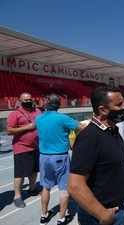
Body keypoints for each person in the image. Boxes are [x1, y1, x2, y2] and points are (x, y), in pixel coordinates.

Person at [68, 86, 124, 225]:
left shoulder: (112, 130)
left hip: (120, 209)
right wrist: (102, 215)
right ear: (103, 110)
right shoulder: (89, 138)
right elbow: (75, 186)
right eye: (119, 104)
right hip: (102, 217)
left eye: (123, 102)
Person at [35, 93, 85, 225]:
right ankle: (61, 218)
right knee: (64, 188)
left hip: (44, 156)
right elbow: (82, 128)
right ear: (59, 105)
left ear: (46, 104)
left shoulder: (39, 119)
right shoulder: (63, 119)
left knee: (46, 186)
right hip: (60, 156)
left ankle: (44, 215)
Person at [6, 92, 42, 208]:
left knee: (34, 170)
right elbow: (9, 131)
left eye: (30, 99)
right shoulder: (14, 114)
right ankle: (17, 196)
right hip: (21, 147)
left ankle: (32, 189)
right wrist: (28, 127)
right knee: (20, 173)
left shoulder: (38, 112)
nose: (28, 102)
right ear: (20, 101)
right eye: (25, 100)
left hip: (36, 146)